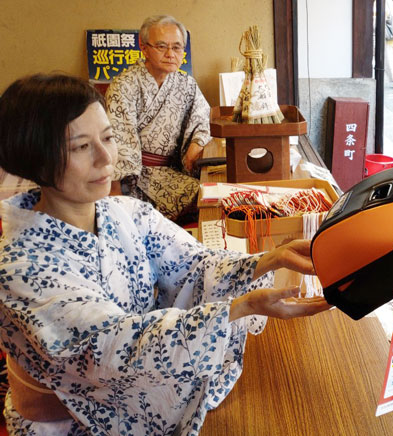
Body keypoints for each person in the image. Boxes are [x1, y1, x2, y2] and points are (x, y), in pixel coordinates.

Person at [0, 74, 330, 435]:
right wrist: (242, 307)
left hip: (143, 390)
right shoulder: (21, 266)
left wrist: (272, 258)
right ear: (36, 156)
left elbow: (193, 264)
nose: (106, 157)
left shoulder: (124, 212)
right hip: (77, 422)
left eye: (108, 138)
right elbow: (111, 345)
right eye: (81, 147)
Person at [107, 15, 209, 222]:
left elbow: (202, 115)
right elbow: (121, 141)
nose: (170, 54)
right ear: (143, 47)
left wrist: (197, 142)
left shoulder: (186, 84)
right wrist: (123, 194)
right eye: (161, 47)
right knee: (205, 197)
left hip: (174, 168)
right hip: (138, 175)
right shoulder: (124, 86)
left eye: (177, 48)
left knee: (217, 188)